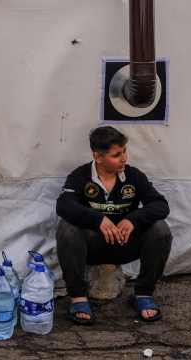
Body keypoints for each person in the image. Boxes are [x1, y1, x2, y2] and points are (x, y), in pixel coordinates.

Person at [56, 126, 172, 325]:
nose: (124, 158)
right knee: (67, 229)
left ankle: (143, 295)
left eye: (125, 151)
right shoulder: (80, 176)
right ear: (98, 157)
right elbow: (64, 205)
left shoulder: (134, 176)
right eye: (117, 154)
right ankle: (78, 298)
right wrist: (98, 219)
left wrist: (133, 219)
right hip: (91, 248)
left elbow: (161, 205)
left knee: (160, 230)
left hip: (125, 245)